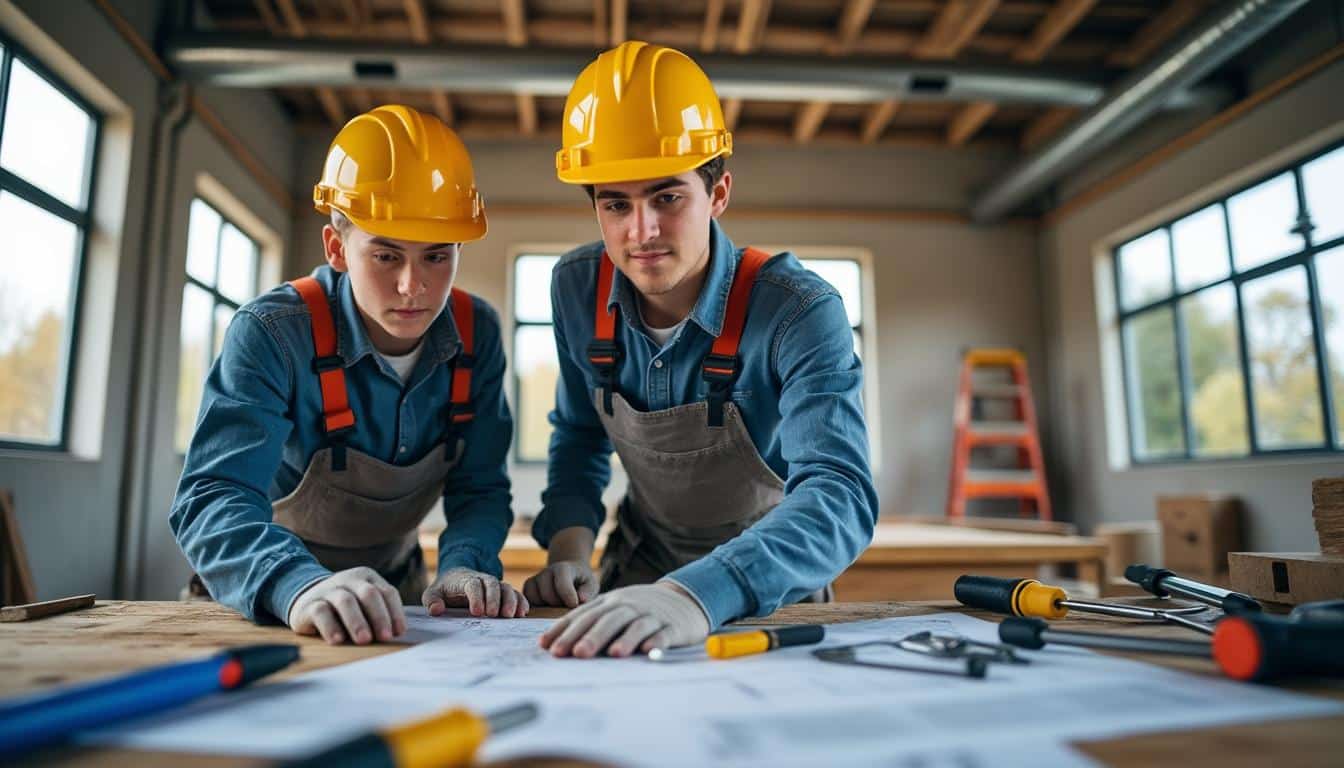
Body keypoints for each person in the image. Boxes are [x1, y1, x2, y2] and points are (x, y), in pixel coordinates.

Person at [524, 42, 878, 658]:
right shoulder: (575, 287)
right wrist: (569, 554)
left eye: (667, 197)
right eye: (616, 204)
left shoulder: (799, 308)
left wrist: (696, 594)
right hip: (632, 575)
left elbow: (839, 491)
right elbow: (579, 435)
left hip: (769, 590)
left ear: (717, 194)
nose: (643, 232)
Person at [171, 105, 526, 646]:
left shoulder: (477, 336)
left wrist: (463, 567)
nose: (413, 286)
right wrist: (296, 584)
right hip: (269, 597)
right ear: (337, 248)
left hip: (401, 594)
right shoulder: (273, 333)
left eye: (436, 256)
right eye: (386, 256)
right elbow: (213, 495)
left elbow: (479, 487)